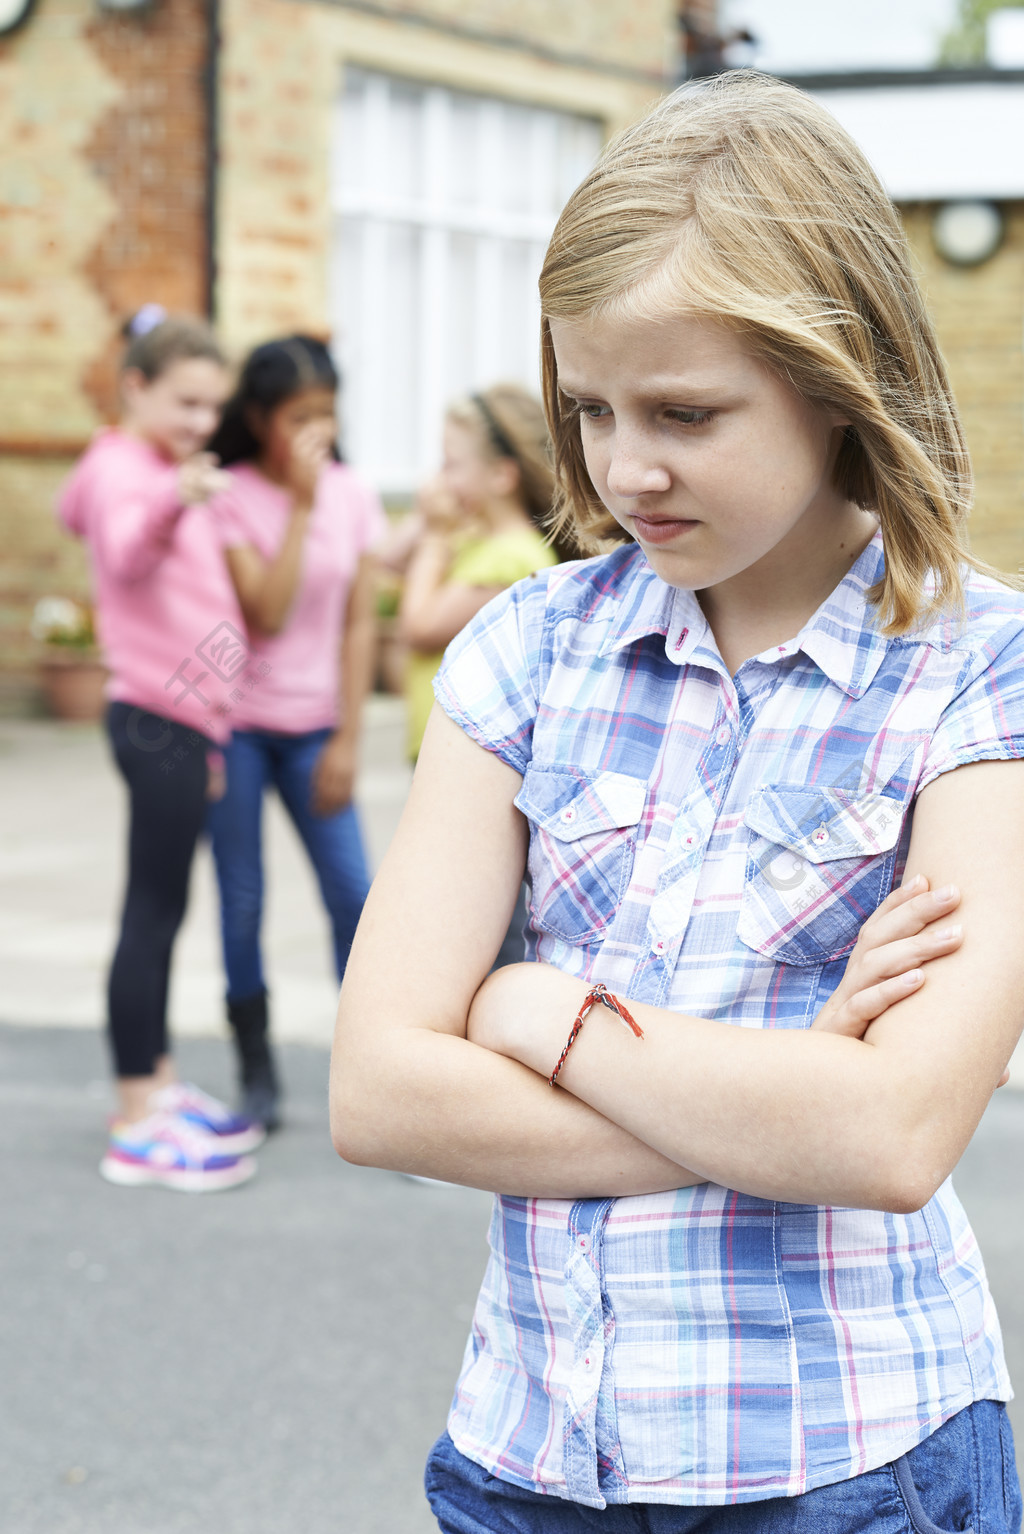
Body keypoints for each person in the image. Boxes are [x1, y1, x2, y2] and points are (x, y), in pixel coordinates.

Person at [330, 72, 1024, 1532]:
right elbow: (380, 1088)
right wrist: (774, 1103)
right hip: (527, 1459)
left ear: (842, 379)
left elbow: (894, 1135)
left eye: (687, 412)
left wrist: (545, 1019)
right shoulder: (525, 648)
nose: (623, 466)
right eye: (587, 406)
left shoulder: (979, 671)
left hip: (851, 1464)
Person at [59, 311, 263, 1193]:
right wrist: (172, 504)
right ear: (134, 386)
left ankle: (161, 1084)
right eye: (184, 402)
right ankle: (138, 1117)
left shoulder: (140, 466)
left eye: (212, 407)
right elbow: (119, 548)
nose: (200, 423)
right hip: (156, 718)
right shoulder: (125, 474)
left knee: (164, 912)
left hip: (183, 724)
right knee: (150, 912)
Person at [205, 335, 385, 1131]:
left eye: (326, 414)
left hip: (316, 730)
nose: (316, 430)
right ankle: (257, 1079)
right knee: (241, 900)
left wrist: (347, 739)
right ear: (258, 418)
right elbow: (265, 614)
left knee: (355, 895)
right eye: (297, 416)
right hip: (238, 728)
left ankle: (369, 1076)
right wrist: (302, 506)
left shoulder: (357, 494)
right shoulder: (231, 494)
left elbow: (358, 628)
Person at [399, 384, 571, 763]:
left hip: (464, 753)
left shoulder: (512, 557)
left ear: (501, 476)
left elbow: (419, 627)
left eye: (452, 465)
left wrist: (435, 536)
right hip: (445, 747)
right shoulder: (478, 541)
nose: (441, 479)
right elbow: (386, 558)